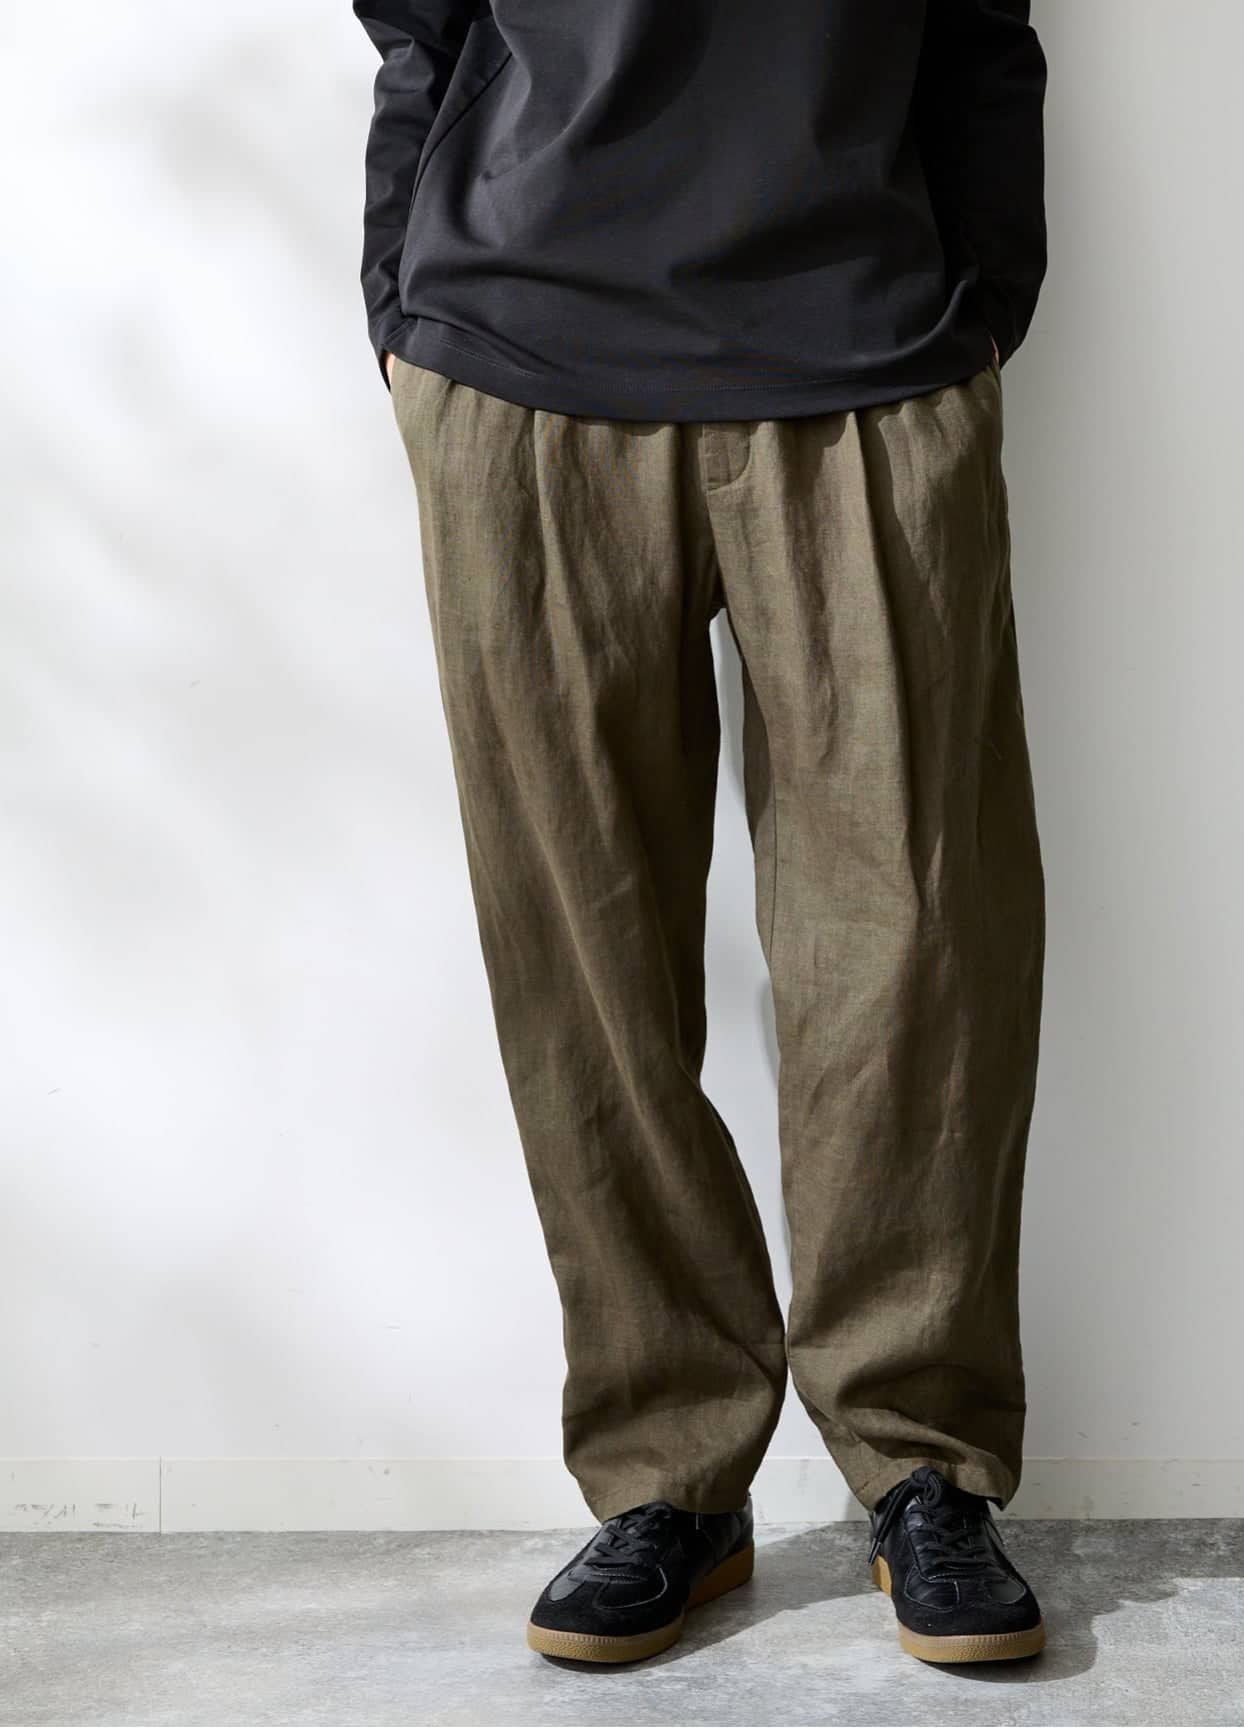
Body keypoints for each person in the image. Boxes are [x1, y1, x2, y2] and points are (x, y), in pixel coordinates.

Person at [355, 0, 1048, 1668]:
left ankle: (926, 1465)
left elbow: (985, 33)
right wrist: (402, 302)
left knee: (919, 951)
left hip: (868, 361)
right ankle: (667, 1472)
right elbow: (416, 32)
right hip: (523, 363)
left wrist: (973, 315)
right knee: (581, 964)